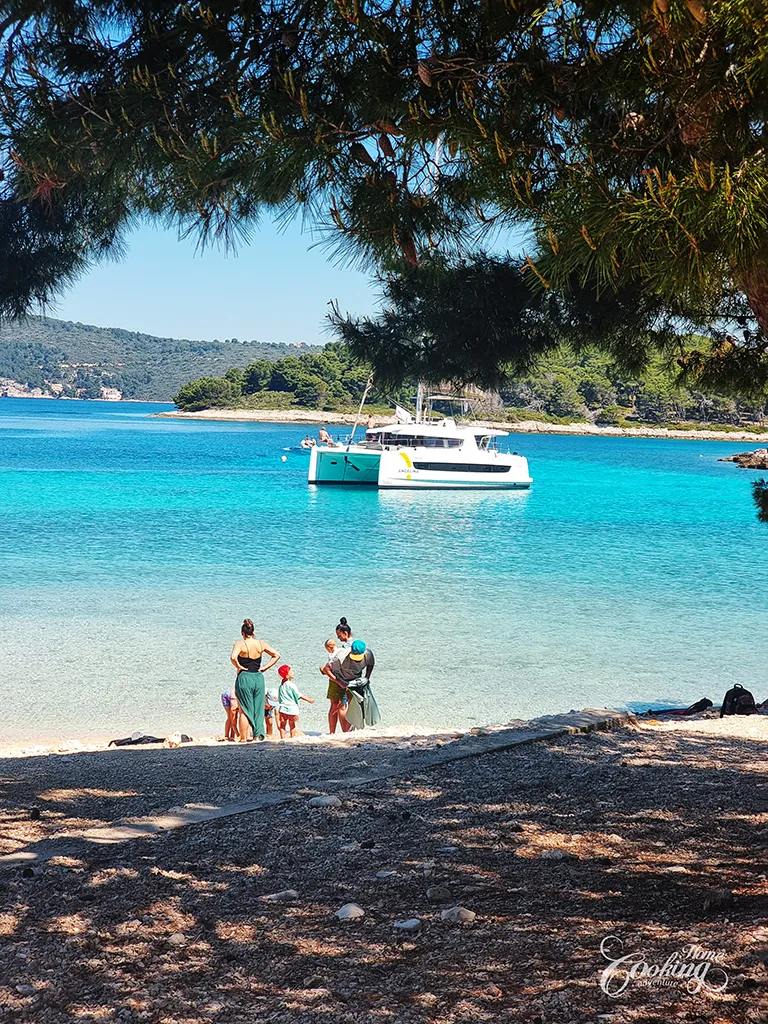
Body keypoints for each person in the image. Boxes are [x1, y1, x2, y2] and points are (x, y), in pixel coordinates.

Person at [230, 619, 280, 742]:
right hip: (258, 677)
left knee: (244, 709)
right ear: (253, 632)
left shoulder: (240, 644)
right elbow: (276, 655)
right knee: (258, 709)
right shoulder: (261, 644)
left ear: (242, 633)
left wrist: (238, 666)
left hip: (245, 677)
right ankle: (257, 736)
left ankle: (243, 738)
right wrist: (265, 668)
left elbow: (233, 657)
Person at [321, 639, 380, 729]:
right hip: (337, 678)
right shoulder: (341, 657)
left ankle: (347, 731)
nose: (356, 660)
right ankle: (332, 732)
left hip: (354, 680)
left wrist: (367, 677)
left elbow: (370, 664)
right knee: (335, 705)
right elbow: (327, 669)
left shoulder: (368, 654)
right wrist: (340, 682)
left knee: (353, 704)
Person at [322, 637, 352, 734]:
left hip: (334, 682)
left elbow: (328, 670)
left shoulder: (331, 655)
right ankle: (345, 731)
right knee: (343, 706)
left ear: (328, 648)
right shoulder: (342, 651)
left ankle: (332, 731)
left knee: (334, 706)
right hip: (345, 680)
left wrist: (322, 670)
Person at [277, 664, 315, 738]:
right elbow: (298, 695)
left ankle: (283, 738)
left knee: (282, 725)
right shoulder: (291, 685)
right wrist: (309, 700)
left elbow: (279, 698)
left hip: (282, 708)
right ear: (287, 675)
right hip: (292, 708)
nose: (293, 673)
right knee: (292, 725)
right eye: (291, 672)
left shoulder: (281, 686)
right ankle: (292, 738)